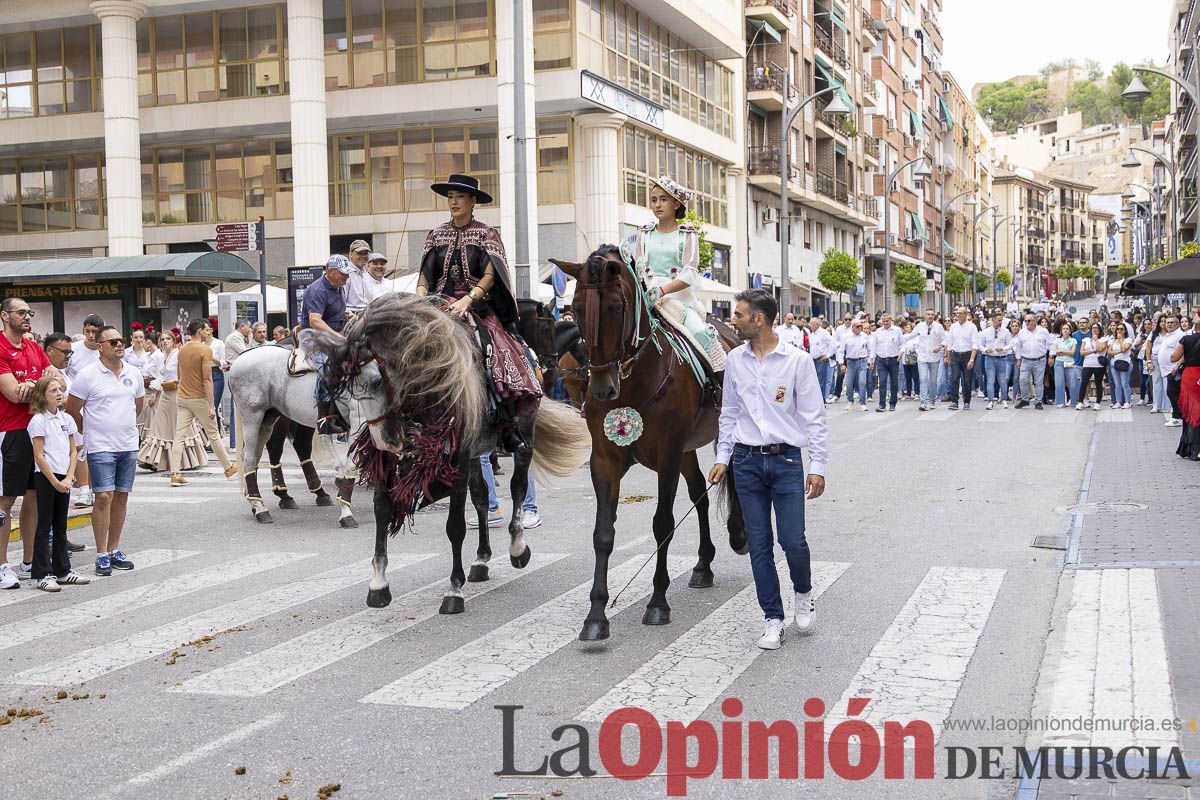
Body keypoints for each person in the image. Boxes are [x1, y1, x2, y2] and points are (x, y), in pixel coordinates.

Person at [708, 288, 827, 651]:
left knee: (792, 540)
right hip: (746, 463)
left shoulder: (797, 362)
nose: (734, 321)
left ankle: (803, 594)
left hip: (787, 461)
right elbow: (728, 414)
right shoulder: (735, 362)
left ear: (759, 319)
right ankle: (772, 617)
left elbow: (814, 418)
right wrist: (722, 458)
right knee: (759, 545)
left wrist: (817, 465)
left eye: (739, 316)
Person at [416, 174, 542, 454]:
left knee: (494, 346)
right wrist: (421, 298)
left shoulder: (487, 233)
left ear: (473, 201)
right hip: (438, 304)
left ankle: (506, 422)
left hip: (476, 305)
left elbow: (490, 275)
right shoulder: (435, 234)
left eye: (460, 196)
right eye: (450, 196)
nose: (454, 202)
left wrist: (467, 300)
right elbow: (426, 274)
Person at [619, 175, 724, 368]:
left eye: (663, 199)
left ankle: (717, 383)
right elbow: (638, 269)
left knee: (701, 333)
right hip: (646, 299)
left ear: (676, 204)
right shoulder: (644, 232)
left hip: (680, 300)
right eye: (653, 200)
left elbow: (690, 272)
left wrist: (662, 291)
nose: (657, 205)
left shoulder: (687, 233)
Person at [65, 326, 145, 576]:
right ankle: (100, 554)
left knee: (121, 496)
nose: (120, 345)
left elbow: (138, 406)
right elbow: (72, 410)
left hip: (128, 444)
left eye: (121, 340)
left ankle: (114, 549)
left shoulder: (134, 373)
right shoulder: (87, 375)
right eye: (113, 342)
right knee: (103, 497)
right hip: (100, 446)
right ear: (100, 346)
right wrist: (90, 432)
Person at [0, 298, 58, 589]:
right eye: (21, 312)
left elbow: (58, 382)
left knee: (34, 496)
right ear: (4, 315)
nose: (27, 316)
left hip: (38, 429)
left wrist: (34, 387)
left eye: (28, 312)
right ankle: (1, 565)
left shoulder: (33, 346)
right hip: (9, 431)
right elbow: (12, 393)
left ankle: (27, 562)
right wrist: (41, 386)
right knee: (5, 500)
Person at [27, 374, 89, 591]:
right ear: (42, 396)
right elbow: (39, 456)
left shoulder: (66, 419)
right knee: (44, 525)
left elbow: (73, 451)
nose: (59, 394)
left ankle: (63, 570)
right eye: (53, 391)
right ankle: (42, 573)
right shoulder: (38, 420)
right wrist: (54, 481)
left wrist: (70, 476)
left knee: (60, 525)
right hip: (47, 477)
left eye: (60, 390)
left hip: (64, 477)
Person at [169, 319, 239, 487]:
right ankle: (228, 468)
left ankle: (175, 473)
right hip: (199, 398)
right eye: (207, 329)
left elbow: (180, 373)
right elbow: (207, 379)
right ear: (200, 331)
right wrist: (210, 404)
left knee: (179, 436)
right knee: (213, 434)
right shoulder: (205, 350)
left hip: (183, 397)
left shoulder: (182, 349)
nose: (209, 332)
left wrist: (216, 361)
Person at [138, 331, 208, 472]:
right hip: (164, 394)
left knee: (179, 428)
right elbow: (160, 377)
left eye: (168, 339)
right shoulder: (162, 356)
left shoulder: (178, 354)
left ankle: (186, 459)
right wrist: (154, 392)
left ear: (174, 341)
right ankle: (153, 459)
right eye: (162, 339)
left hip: (177, 393)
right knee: (158, 426)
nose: (165, 341)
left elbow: (187, 374)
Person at [301, 254, 353, 435]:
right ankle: (325, 417)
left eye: (347, 274)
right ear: (330, 272)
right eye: (343, 274)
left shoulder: (339, 288)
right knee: (327, 366)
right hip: (312, 336)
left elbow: (335, 312)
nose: (347, 277)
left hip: (333, 333)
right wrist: (338, 337)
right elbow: (315, 320)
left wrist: (348, 315)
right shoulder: (318, 290)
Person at [67, 314, 103, 509]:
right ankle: (83, 490)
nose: (90, 335)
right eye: (87, 331)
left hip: (96, 405)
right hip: (73, 403)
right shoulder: (73, 350)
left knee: (92, 448)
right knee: (79, 446)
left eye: (94, 332)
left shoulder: (103, 351)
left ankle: (92, 487)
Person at [1171, 318, 1200, 460]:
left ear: (1195, 325)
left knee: (1192, 411)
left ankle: (1192, 448)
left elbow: (1173, 357)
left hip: (1191, 377)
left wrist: (1181, 359)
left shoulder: (1186, 339)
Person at [910, 308, 945, 411]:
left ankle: (932, 400)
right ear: (924, 315)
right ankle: (923, 402)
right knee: (923, 379)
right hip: (922, 357)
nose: (930, 316)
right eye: (928, 314)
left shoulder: (938, 327)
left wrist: (940, 346)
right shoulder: (919, 326)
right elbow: (911, 336)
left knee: (933, 381)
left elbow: (945, 339)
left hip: (934, 357)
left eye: (932, 314)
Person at [944, 307, 978, 410]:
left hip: (967, 355)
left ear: (966, 314)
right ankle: (954, 401)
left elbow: (974, 344)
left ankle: (966, 401)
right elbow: (949, 343)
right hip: (955, 355)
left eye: (961, 313)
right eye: (957, 313)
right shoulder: (953, 327)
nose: (958, 315)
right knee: (954, 378)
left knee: (967, 380)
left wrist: (972, 359)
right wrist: (947, 357)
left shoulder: (972, 327)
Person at [979, 311, 1014, 410]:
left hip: (1001, 358)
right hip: (989, 358)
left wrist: (1003, 349)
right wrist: (986, 349)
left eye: (1001, 320)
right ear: (993, 320)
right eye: (999, 320)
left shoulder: (1005, 332)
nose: (1001, 322)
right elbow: (980, 345)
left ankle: (1004, 399)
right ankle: (991, 400)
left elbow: (1010, 344)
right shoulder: (985, 332)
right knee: (990, 380)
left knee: (1002, 380)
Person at [1155, 316, 1186, 425]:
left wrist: (1177, 364)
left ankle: (1177, 417)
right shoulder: (1169, 335)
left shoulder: (1180, 335)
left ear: (1177, 324)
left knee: (1172, 392)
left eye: (1172, 322)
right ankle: (1176, 415)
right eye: (1167, 323)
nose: (1169, 324)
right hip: (1166, 370)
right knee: (1171, 393)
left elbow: (1185, 352)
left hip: (1174, 370)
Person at [869, 313, 903, 412]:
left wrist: (901, 352)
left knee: (894, 382)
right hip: (881, 359)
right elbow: (874, 346)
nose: (885, 323)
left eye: (887, 321)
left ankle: (893, 403)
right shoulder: (878, 332)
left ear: (890, 320)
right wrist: (872, 359)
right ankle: (882, 404)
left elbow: (902, 343)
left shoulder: (897, 330)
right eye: (883, 321)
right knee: (882, 382)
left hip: (894, 359)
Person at [836, 319, 870, 411]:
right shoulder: (846, 337)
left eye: (861, 326)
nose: (860, 328)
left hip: (862, 361)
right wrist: (841, 363)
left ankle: (862, 402)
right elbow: (841, 351)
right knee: (849, 383)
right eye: (858, 326)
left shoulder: (865, 336)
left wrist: (869, 361)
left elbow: (869, 350)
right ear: (853, 327)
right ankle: (850, 400)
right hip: (851, 361)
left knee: (862, 382)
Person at [1078, 323, 1108, 410]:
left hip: (1099, 365)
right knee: (1084, 382)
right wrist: (1093, 350)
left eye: (1096, 328)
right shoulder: (1086, 339)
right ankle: (1080, 402)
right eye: (1093, 328)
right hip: (1087, 364)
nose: (1094, 330)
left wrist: (1096, 340)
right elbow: (1082, 352)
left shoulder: (1103, 339)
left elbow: (1101, 349)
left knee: (1098, 383)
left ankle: (1098, 402)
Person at [807, 318, 836, 402]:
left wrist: (828, 355)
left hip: (821, 360)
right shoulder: (812, 334)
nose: (810, 326)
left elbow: (834, 343)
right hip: (813, 360)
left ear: (817, 324)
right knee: (814, 381)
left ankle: (822, 400)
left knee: (821, 381)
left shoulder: (823, 333)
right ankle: (816, 400)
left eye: (812, 324)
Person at [343, 239, 374, 315]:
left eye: (366, 253)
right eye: (360, 253)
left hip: (367, 314)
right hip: (351, 315)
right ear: (350, 254)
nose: (363, 256)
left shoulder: (366, 274)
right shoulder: (346, 274)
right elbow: (341, 302)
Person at [1107, 324, 1133, 409]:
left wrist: (1121, 339)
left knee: (1124, 383)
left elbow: (1124, 349)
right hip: (1114, 363)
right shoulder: (1113, 341)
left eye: (1121, 329)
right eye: (1118, 329)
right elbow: (1109, 352)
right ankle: (1118, 402)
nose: (1119, 330)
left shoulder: (1128, 339)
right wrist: (1118, 352)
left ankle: (1127, 401)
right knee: (1117, 384)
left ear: (1125, 330)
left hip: (1125, 363)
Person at [1053, 321, 1077, 408]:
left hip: (1070, 362)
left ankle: (1073, 401)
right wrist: (1066, 352)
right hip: (1059, 362)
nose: (1065, 330)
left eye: (1067, 329)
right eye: (1064, 329)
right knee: (1059, 382)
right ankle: (1060, 402)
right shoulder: (1057, 340)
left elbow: (1072, 353)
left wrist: (1062, 351)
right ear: (1061, 331)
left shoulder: (1073, 340)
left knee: (1072, 382)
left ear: (1070, 331)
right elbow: (1057, 352)